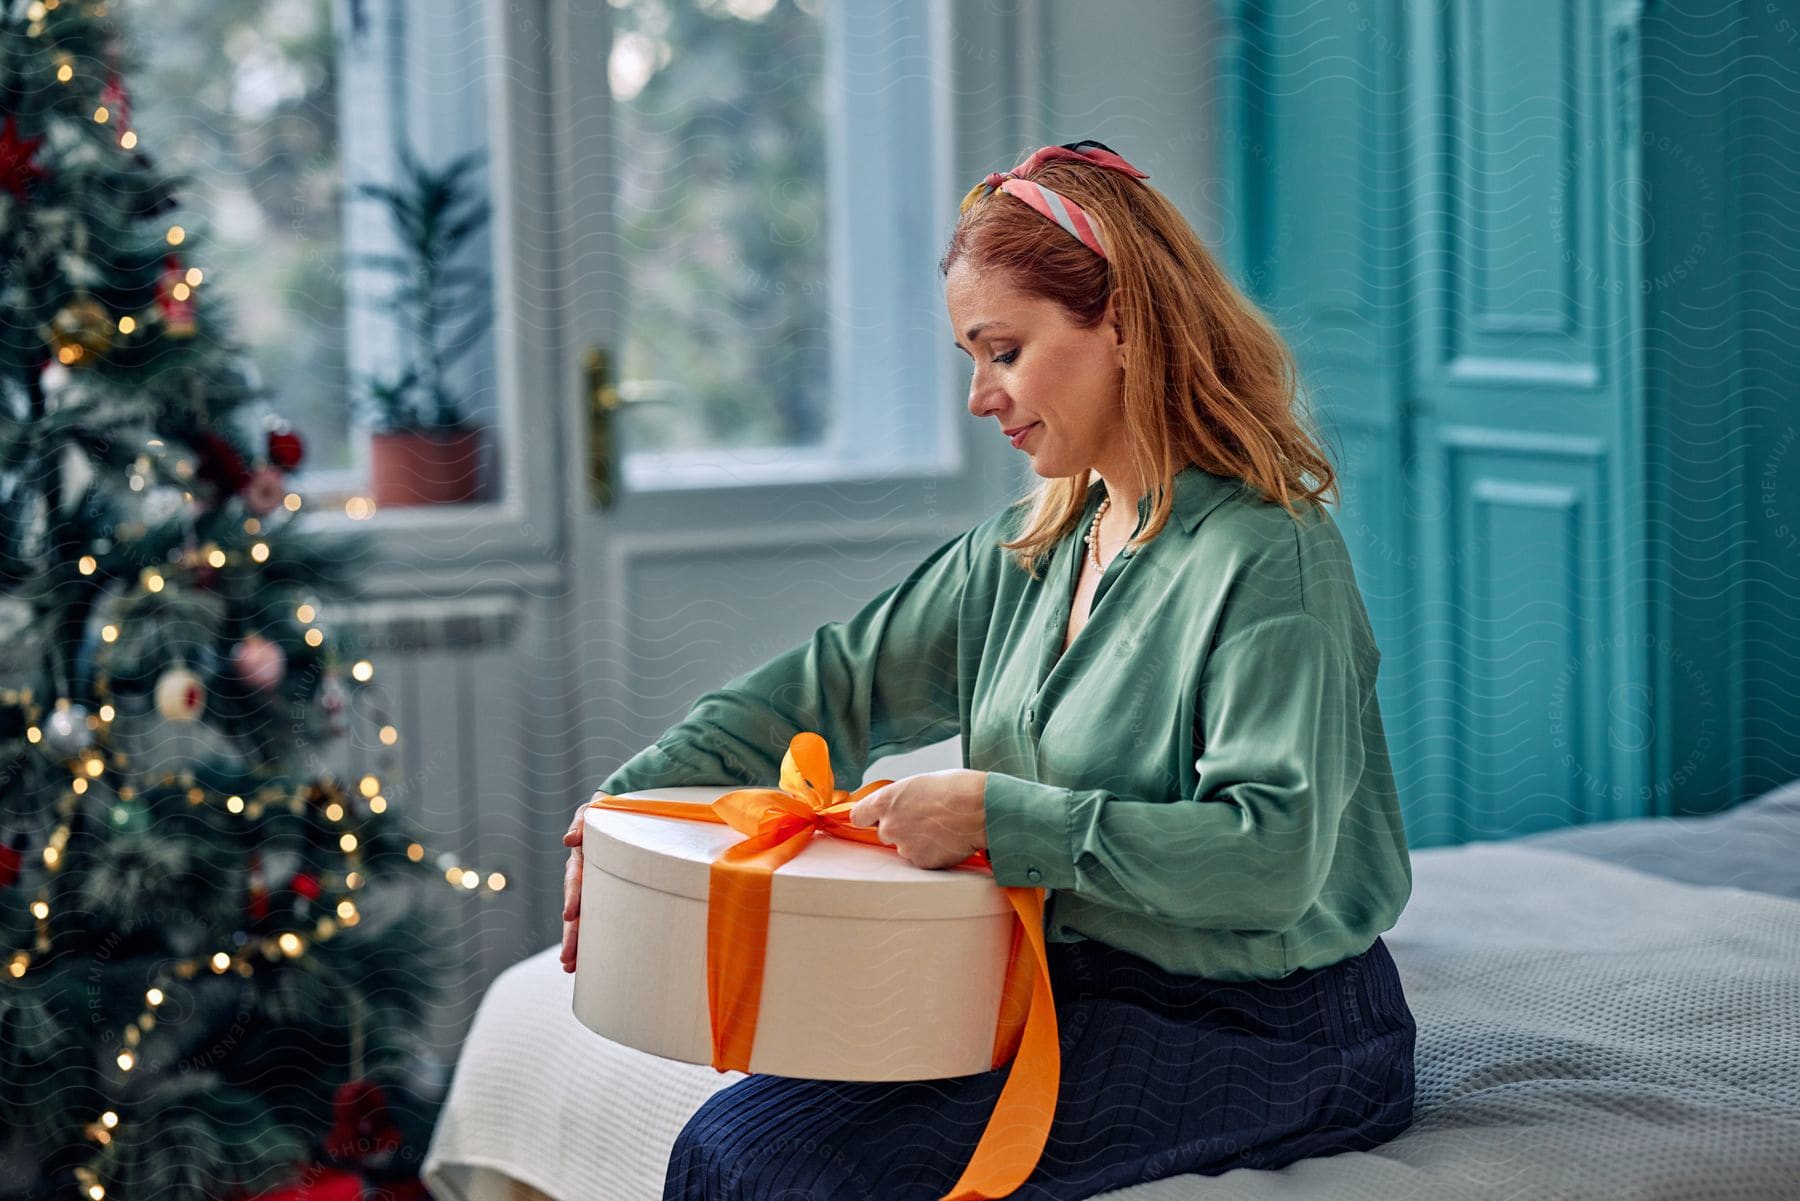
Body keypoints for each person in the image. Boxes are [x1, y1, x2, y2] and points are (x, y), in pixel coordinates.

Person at [560, 139, 1417, 1200]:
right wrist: (620, 813)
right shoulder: (1029, 551)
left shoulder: (1270, 557)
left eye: (1003, 351)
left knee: (779, 1167)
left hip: (1277, 1031)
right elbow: (830, 686)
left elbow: (1270, 858)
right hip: (1059, 984)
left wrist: (995, 818)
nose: (980, 396)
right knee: (734, 1138)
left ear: (1125, 327)